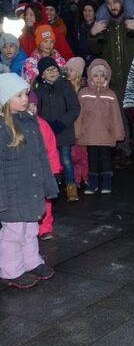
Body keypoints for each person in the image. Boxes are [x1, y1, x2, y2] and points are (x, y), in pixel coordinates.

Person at [0, 73, 58, 288]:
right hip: (11, 192)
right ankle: (11, 269)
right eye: (19, 95)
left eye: (26, 93)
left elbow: (40, 156)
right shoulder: (2, 128)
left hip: (30, 188)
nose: (26, 99)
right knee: (13, 233)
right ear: (5, 99)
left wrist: (48, 184)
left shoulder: (30, 121)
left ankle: (32, 261)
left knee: (31, 228)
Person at [88, 0, 134, 160]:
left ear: (123, 2)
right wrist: (92, 34)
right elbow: (94, 49)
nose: (112, 6)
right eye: (109, 3)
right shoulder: (103, 23)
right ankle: (123, 151)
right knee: (118, 118)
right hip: (115, 81)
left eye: (115, 2)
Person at [32, 56, 81, 202]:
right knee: (48, 160)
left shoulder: (65, 86)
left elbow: (74, 108)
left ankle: (71, 187)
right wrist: (45, 125)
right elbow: (36, 109)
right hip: (46, 132)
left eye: (54, 69)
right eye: (48, 70)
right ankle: (52, 187)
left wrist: (62, 123)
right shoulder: (38, 89)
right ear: (42, 74)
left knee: (66, 160)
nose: (52, 72)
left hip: (63, 130)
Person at [75, 59, 125, 195]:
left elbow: (116, 116)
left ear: (106, 77)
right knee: (91, 159)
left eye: (102, 75)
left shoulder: (111, 95)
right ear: (90, 77)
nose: (98, 79)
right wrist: (77, 131)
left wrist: (118, 133)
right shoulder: (84, 93)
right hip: (89, 133)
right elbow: (79, 115)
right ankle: (93, 184)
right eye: (95, 75)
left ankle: (107, 183)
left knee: (105, 158)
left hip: (106, 133)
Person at [27, 91, 61, 241]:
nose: (33, 109)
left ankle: (45, 228)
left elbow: (51, 149)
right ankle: (29, 229)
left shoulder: (42, 124)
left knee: (45, 201)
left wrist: (54, 170)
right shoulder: (14, 126)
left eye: (35, 106)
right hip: (25, 172)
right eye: (29, 105)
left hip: (43, 170)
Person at [64, 57, 88, 190]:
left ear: (78, 73)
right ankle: (76, 178)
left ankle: (85, 177)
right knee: (73, 154)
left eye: (71, 70)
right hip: (70, 125)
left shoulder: (84, 88)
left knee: (83, 154)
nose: (68, 72)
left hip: (83, 124)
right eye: (67, 69)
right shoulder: (64, 86)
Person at [70, 0, 97, 67]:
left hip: (95, 63)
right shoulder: (78, 27)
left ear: (95, 12)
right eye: (85, 10)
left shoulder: (98, 27)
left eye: (90, 11)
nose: (87, 13)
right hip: (81, 64)